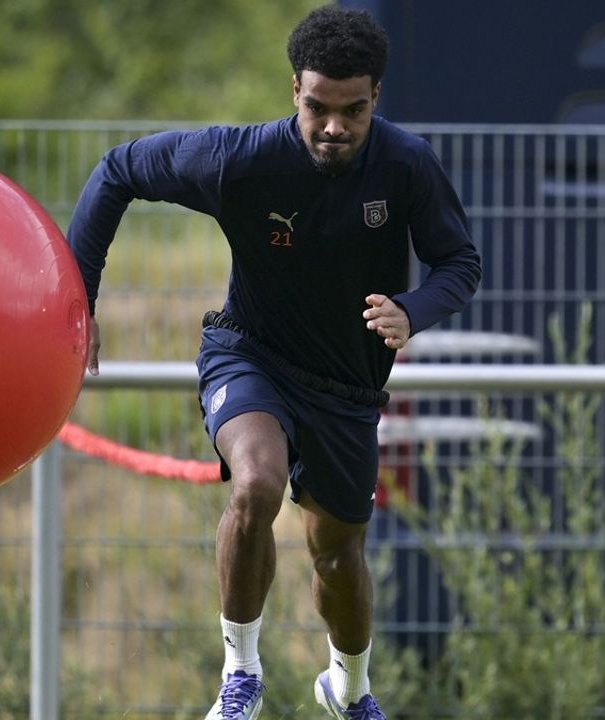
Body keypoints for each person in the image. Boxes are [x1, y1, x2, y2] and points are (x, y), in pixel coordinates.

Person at [66, 6, 481, 719]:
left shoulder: (408, 164)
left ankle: (348, 688)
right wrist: (80, 303)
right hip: (249, 355)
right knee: (254, 484)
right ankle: (241, 675)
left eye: (351, 112)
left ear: (375, 98)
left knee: (337, 557)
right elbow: (117, 171)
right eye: (317, 107)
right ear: (294, 90)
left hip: (348, 387)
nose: (332, 127)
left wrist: (414, 309)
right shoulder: (240, 160)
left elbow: (460, 263)